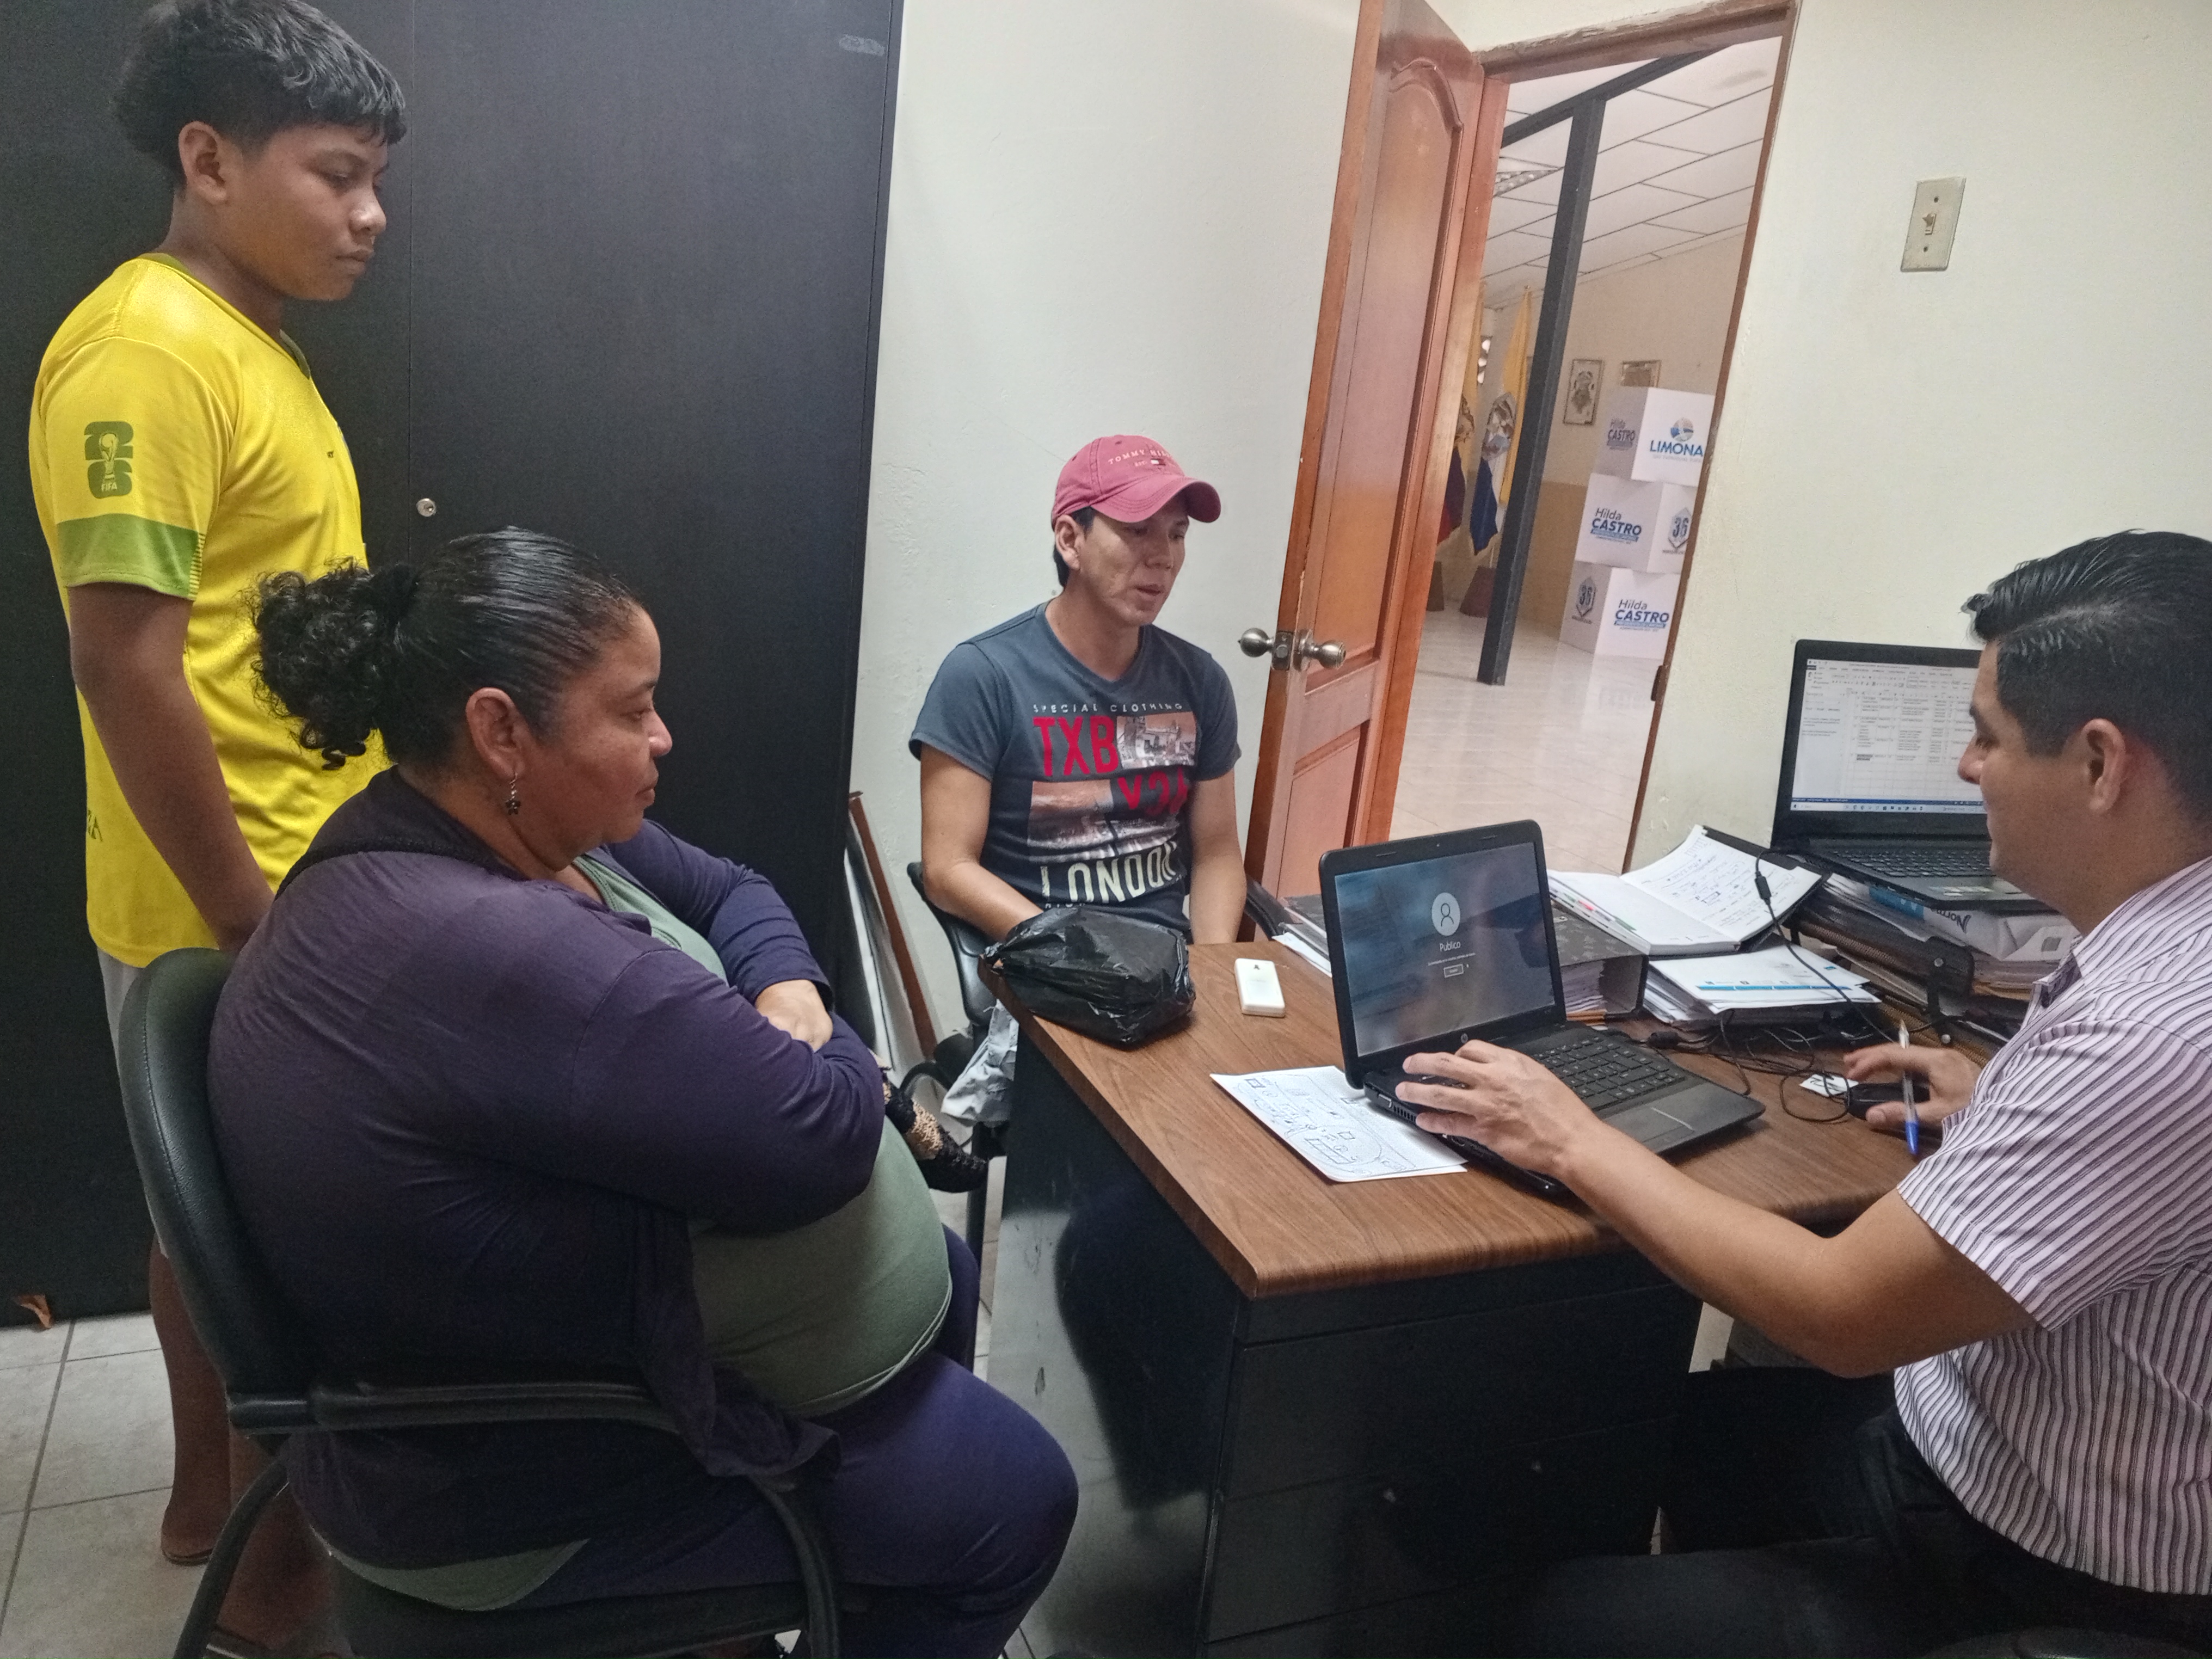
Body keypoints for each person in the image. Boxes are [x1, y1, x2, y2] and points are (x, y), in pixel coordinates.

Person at [211, 530, 1077, 1658]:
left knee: (948, 1281)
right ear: (501, 730)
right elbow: (823, 1131)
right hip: (512, 1481)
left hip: (545, 1376)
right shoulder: (496, 949)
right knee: (1017, 1503)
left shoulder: (489, 829)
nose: (663, 735)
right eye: (631, 710)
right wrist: (842, 1058)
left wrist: (787, 996)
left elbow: (733, 889)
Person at [1397, 530, 2212, 1657]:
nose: (1965, 767)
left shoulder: (2149, 1036)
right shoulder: (2168, 949)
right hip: (1971, 1443)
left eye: (1986, 736)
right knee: (1632, 1436)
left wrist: (1571, 1137)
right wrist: (2007, 1102)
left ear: (2099, 764)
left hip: (2036, 1574)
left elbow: (1838, 1313)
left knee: (1566, 1617)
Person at [28, 1, 403, 1648]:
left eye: (377, 180)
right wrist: (251, 912)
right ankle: (268, 1595)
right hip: (226, 891)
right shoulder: (146, 351)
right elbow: (122, 657)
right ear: (209, 159)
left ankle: (207, 1503)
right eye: (337, 174)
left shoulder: (247, 339)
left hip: (295, 863)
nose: (369, 215)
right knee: (257, 1233)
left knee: (220, 1222)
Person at [913, 434, 1246, 944]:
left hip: (1170, 965)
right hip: (1046, 958)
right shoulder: (982, 676)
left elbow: (1217, 852)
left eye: (1177, 534)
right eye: (1138, 530)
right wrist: (1079, 952)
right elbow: (948, 868)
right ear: (1070, 540)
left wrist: (1215, 969)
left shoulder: (1199, 680)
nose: (1163, 556)